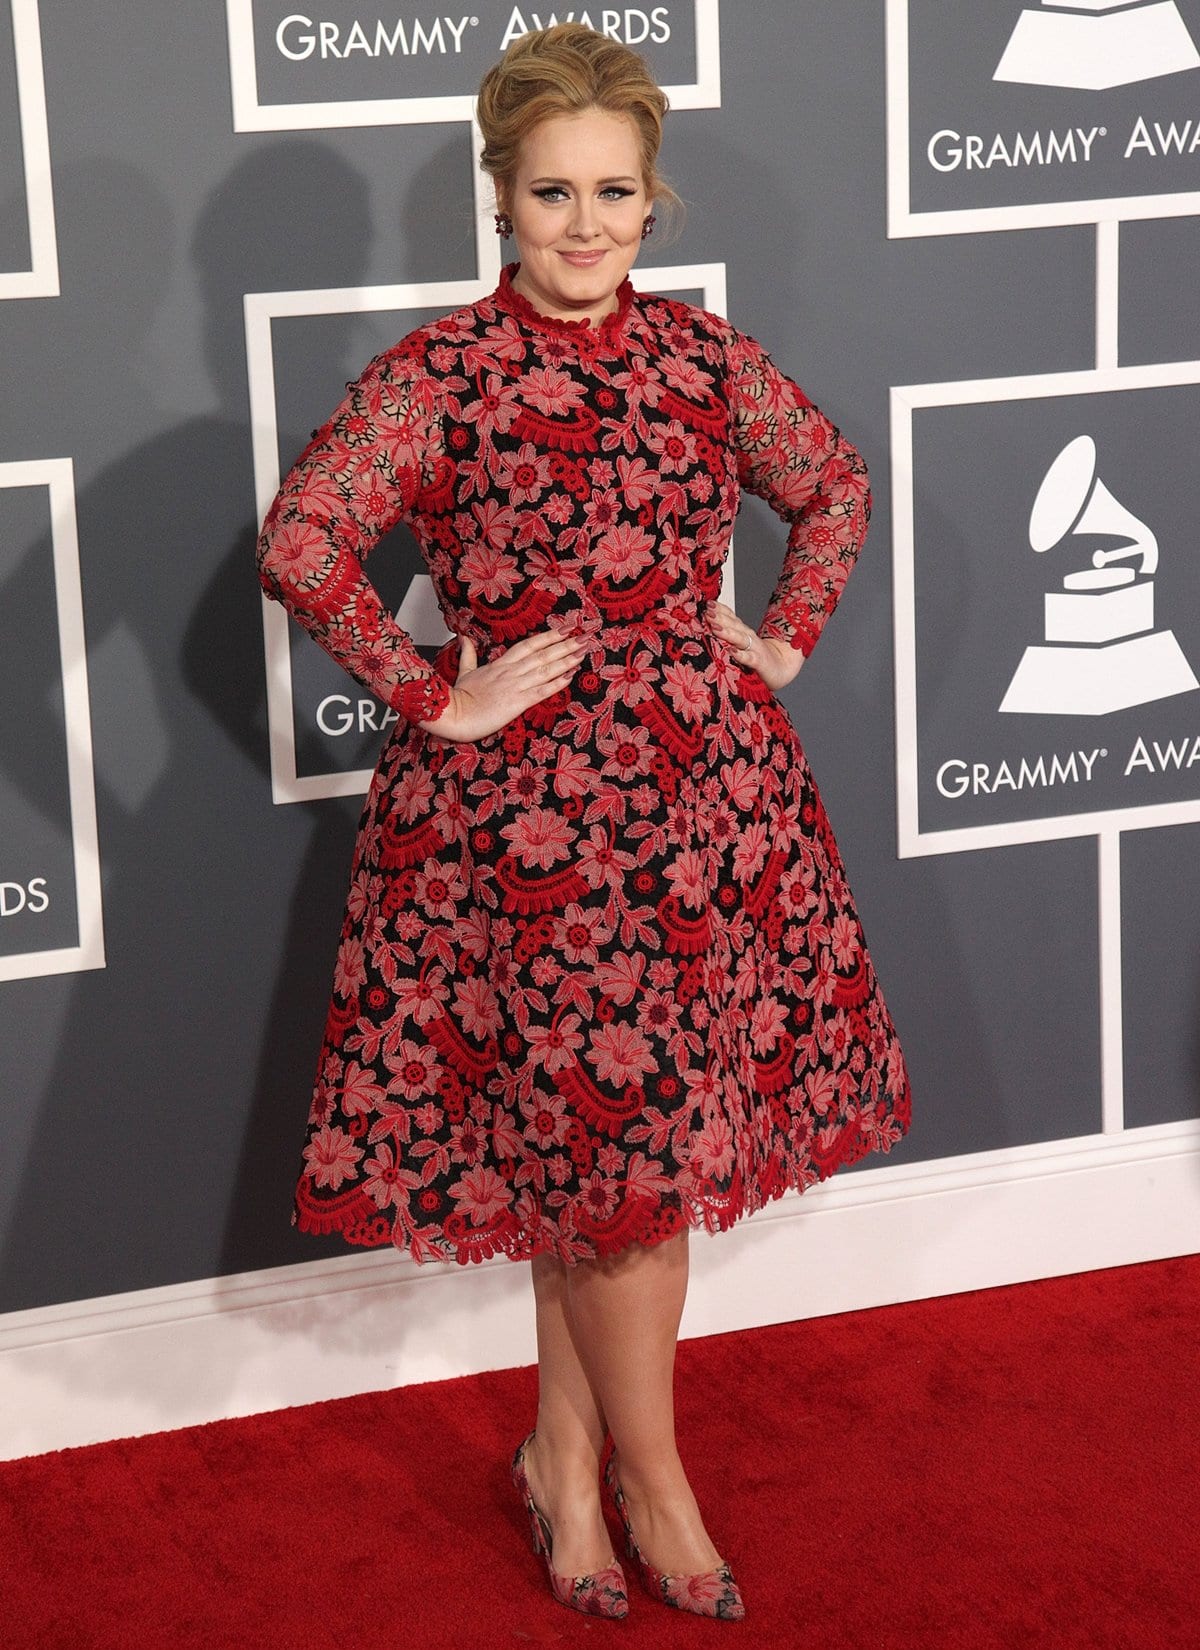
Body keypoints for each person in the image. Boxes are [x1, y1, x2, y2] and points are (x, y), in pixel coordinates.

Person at [256, 21, 912, 1623]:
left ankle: (566, 1459)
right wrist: (438, 696)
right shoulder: (443, 374)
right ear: (499, 195)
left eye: (616, 190)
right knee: (609, 1180)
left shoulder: (702, 364)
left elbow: (833, 482)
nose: (587, 224)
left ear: (653, 196)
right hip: (524, 841)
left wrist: (785, 634)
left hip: (703, 816)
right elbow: (303, 540)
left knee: (607, 1177)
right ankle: (655, 1483)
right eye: (552, 191)